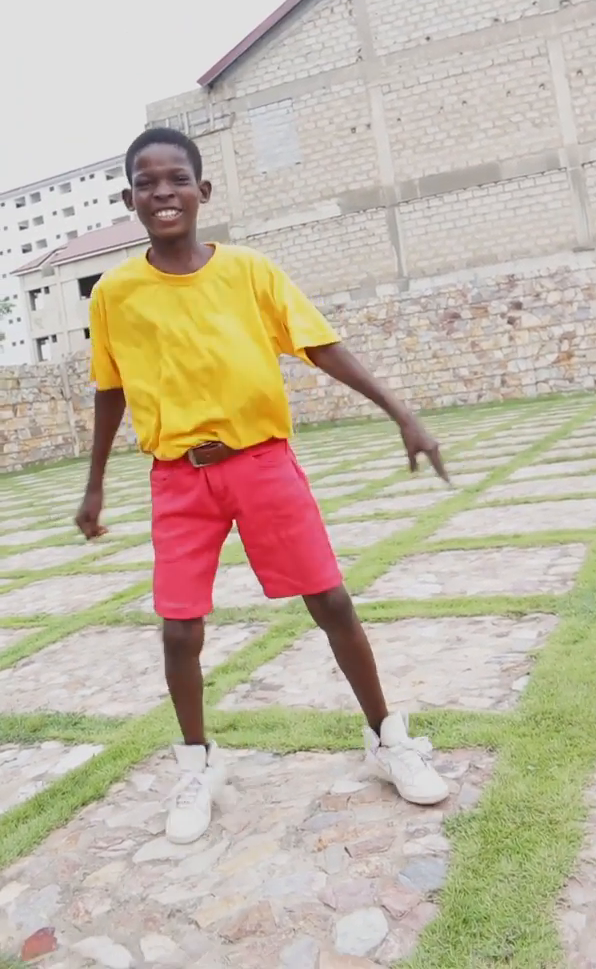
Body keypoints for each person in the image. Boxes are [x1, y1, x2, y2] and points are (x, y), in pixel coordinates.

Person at [75, 126, 451, 847]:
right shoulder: (115, 294)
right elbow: (109, 389)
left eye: (177, 179)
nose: (163, 193)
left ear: (203, 191)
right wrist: (94, 485)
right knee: (179, 629)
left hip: (261, 463)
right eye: (147, 183)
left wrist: (402, 413)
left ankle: (386, 738)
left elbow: (321, 345)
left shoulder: (250, 272)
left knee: (331, 600)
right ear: (129, 199)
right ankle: (198, 764)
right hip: (177, 478)